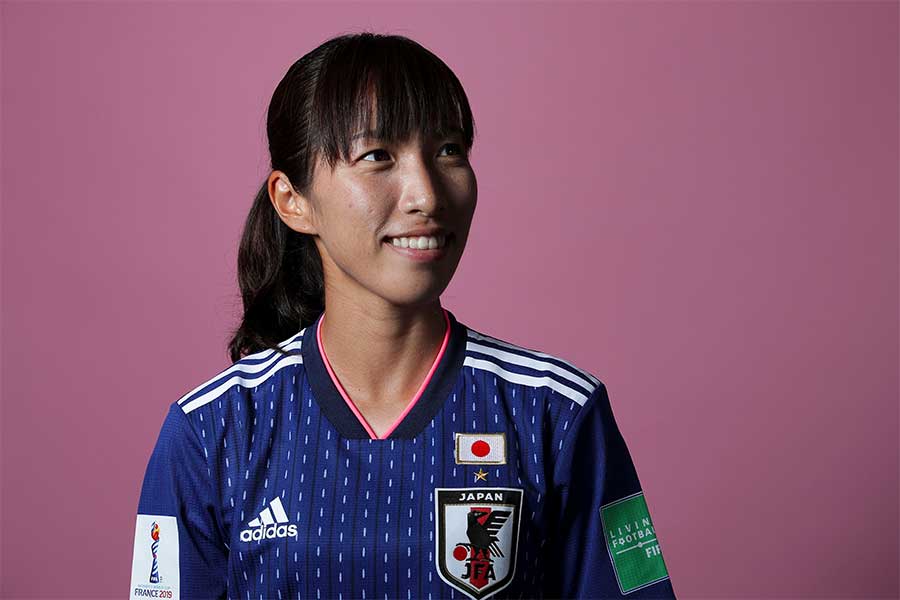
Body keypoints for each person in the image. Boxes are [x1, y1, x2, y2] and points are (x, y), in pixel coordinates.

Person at [129, 31, 676, 600]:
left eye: (448, 151)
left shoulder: (558, 413)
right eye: (377, 156)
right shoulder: (210, 431)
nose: (427, 196)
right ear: (293, 200)